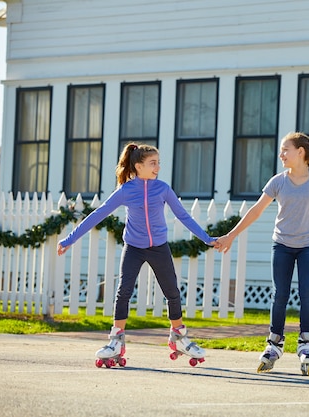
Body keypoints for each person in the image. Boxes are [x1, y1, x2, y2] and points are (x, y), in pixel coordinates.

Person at [216, 132, 309, 374]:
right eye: (281, 150)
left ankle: (306, 343)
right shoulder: (278, 181)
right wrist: (231, 235)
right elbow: (256, 210)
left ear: (301, 152)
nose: (281, 155)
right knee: (280, 295)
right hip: (283, 245)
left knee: (308, 293)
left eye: (285, 149)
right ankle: (274, 343)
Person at [57, 143, 217, 366]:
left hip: (159, 247)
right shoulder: (125, 190)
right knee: (123, 292)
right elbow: (99, 213)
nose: (157, 167)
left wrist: (208, 239)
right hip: (133, 247)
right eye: (153, 163)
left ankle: (179, 337)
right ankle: (116, 340)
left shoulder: (163, 188)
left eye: (158, 163)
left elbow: (183, 216)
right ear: (138, 166)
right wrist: (69, 240)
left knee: (172, 291)